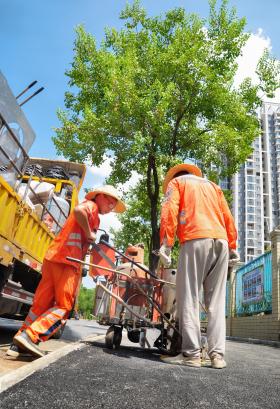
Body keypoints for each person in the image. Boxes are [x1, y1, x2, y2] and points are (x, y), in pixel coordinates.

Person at [7, 185, 126, 358]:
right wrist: (89, 232)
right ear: (100, 196)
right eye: (110, 202)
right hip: (68, 262)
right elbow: (78, 211)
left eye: (113, 206)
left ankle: (17, 344)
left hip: (54, 257)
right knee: (63, 307)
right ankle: (30, 336)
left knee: (39, 306)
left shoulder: (93, 212)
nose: (111, 208)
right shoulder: (91, 207)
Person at [159, 164, 239, 369]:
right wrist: (232, 246)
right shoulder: (213, 186)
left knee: (189, 298)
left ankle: (192, 354)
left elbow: (170, 210)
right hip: (220, 242)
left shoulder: (177, 183)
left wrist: (167, 244)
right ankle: (217, 356)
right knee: (216, 303)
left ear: (174, 177)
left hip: (195, 239)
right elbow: (227, 217)